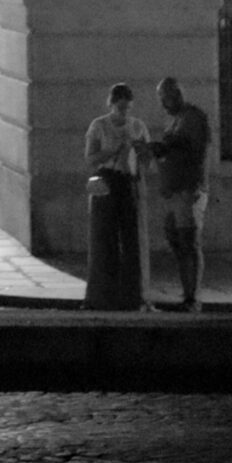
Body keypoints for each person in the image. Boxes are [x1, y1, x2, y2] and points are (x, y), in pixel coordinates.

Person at [82, 82, 151, 310]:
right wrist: (112, 150)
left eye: (127, 108)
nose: (123, 112)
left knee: (132, 239)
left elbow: (146, 160)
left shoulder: (138, 126)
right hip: (107, 180)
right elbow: (90, 159)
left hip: (129, 181)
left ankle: (133, 294)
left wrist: (141, 151)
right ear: (111, 104)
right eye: (120, 107)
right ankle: (102, 294)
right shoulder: (99, 126)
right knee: (104, 237)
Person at [148, 75, 211, 312]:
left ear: (175, 95)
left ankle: (192, 297)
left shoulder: (192, 118)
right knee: (175, 236)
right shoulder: (176, 120)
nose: (162, 105)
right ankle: (188, 292)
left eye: (164, 99)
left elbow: (187, 148)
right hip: (176, 190)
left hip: (189, 188)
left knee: (188, 240)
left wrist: (162, 147)